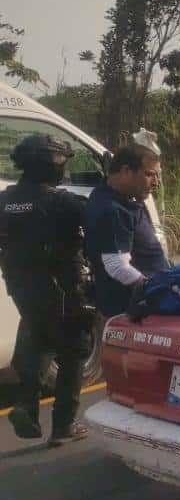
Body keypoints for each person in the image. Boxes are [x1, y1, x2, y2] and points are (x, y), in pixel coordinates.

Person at [0, 135, 94, 446]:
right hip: (63, 288)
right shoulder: (63, 202)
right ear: (52, 164)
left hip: (21, 287)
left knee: (39, 339)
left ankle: (27, 405)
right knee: (75, 348)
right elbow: (98, 229)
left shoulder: (5, 200)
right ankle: (64, 425)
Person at [84, 145, 171, 321]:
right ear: (126, 171)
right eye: (149, 174)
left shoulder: (117, 196)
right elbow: (116, 265)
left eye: (157, 175)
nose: (156, 182)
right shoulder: (112, 209)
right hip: (132, 310)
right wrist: (153, 288)